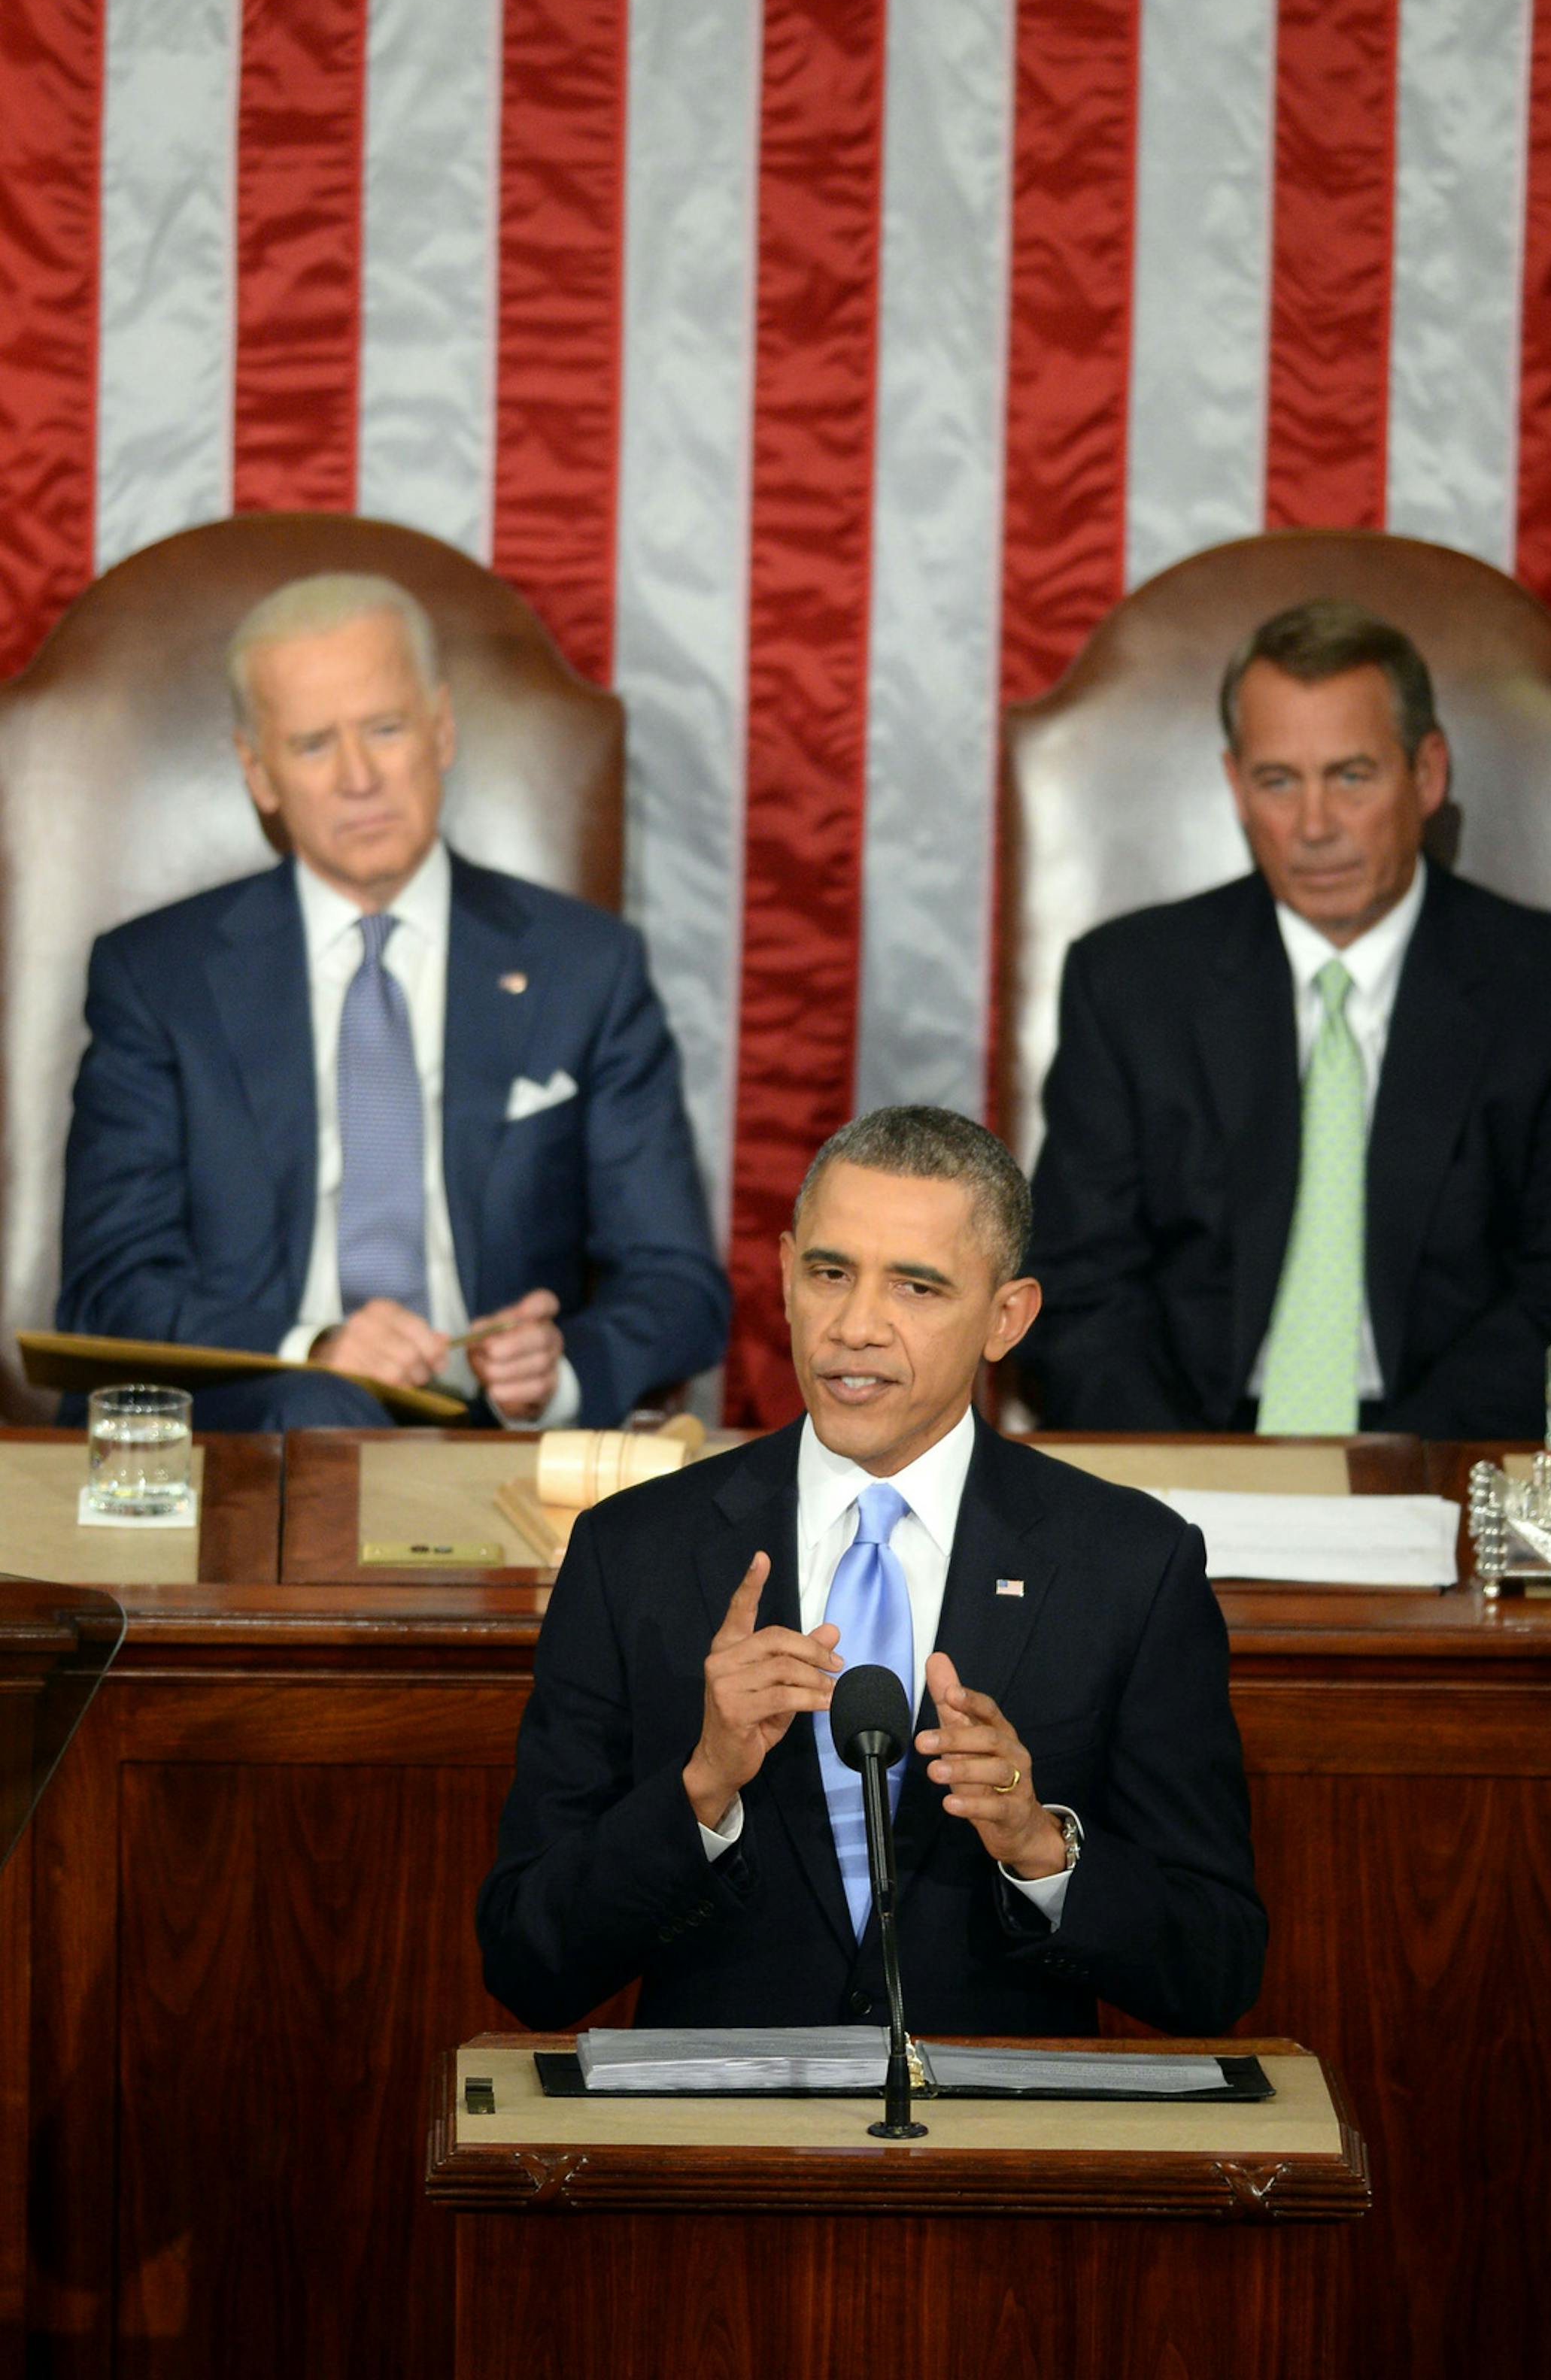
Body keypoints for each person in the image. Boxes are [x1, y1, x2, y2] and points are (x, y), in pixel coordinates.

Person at [477, 1106, 1264, 2037]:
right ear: (783, 1274)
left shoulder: (1129, 1565)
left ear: (1006, 1318)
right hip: (720, 2154)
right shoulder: (632, 1553)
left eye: (918, 1289)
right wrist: (703, 1786)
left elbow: (1215, 1968)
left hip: (998, 2158)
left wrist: (1036, 1846)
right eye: (829, 1273)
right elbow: (528, 1959)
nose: (856, 1326)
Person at [56, 572, 729, 1430]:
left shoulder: (585, 967)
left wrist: (557, 1375)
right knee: (323, 1407)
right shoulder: (156, 978)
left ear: (441, 729)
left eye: (384, 728)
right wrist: (316, 1348)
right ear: (258, 773)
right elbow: (110, 1285)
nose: (359, 777)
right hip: (250, 1441)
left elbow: (678, 1284)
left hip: (491, 1451)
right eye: (312, 745)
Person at [1024, 599, 1551, 1439]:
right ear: (1236, 787)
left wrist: (1390, 1482)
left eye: (1351, 776)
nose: (1314, 827)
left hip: (1451, 1455)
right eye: (1279, 781)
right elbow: (1079, 1288)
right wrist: (1179, 1497)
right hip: (1187, 1445)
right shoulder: (1129, 986)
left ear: (1427, 775)